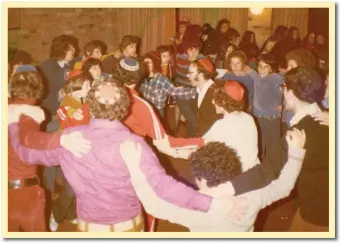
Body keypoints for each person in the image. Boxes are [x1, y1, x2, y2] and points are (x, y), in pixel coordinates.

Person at [8, 80, 247, 232]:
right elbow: (164, 188)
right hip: (127, 230)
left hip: (88, 230)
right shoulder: (134, 145)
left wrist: (14, 121)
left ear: (89, 105)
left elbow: (26, 153)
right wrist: (213, 203)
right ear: (124, 108)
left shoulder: (69, 138)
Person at [119, 129, 307, 232]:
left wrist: (133, 166)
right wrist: (296, 152)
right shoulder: (252, 197)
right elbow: (283, 187)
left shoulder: (193, 206)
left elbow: (154, 206)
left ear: (200, 178)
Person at [215, 66, 329, 232]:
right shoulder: (327, 116)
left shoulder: (297, 133)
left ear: (290, 92)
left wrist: (228, 187)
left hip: (319, 209)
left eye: (284, 88)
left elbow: (268, 170)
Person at [8, 67, 90, 232]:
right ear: (39, 91)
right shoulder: (27, 115)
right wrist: (62, 141)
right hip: (23, 195)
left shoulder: (9, 108)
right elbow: (28, 141)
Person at [246, 53, 284, 161]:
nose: (261, 70)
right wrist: (248, 69)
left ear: (271, 68)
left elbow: (287, 90)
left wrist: (284, 105)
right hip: (258, 118)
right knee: (259, 145)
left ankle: (274, 170)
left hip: (271, 119)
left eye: (265, 67)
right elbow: (253, 74)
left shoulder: (276, 78)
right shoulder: (257, 77)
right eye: (259, 66)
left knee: (273, 148)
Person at [139, 51, 196, 119]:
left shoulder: (161, 79)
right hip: (146, 111)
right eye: (145, 63)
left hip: (157, 114)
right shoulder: (143, 77)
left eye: (148, 62)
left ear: (154, 63)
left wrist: (195, 91)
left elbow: (175, 91)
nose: (146, 65)